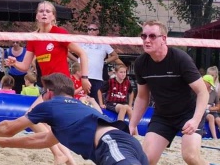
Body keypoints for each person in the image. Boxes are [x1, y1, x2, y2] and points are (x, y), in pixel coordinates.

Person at [0, 73, 148, 165]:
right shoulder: (73, 110)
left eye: (43, 92)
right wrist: (5, 143)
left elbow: (8, 129)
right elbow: (45, 139)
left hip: (111, 144)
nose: (42, 95)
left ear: (50, 92)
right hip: (127, 145)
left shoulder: (50, 105)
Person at [4, 1, 91, 165]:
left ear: (53, 17)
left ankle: (60, 154)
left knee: (32, 117)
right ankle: (66, 158)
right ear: (36, 15)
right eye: (41, 11)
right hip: (48, 86)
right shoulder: (33, 38)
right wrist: (13, 62)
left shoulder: (59, 33)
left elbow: (82, 53)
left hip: (62, 84)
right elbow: (24, 67)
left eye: (48, 11)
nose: (44, 13)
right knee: (42, 122)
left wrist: (84, 78)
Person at [129, 20, 209, 165]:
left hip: (189, 113)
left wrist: (195, 120)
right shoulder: (141, 63)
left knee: (190, 157)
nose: (147, 40)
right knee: (145, 160)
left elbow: (203, 92)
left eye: (152, 36)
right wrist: (132, 124)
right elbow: (142, 97)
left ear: (164, 39)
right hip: (163, 116)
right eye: (144, 36)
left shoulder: (180, 59)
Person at [69, 22, 120, 104]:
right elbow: (67, 51)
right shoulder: (81, 42)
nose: (91, 31)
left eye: (94, 29)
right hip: (82, 76)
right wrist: (76, 60)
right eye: (89, 29)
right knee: (82, 100)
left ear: (98, 31)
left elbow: (115, 56)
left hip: (97, 77)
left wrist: (105, 61)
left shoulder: (104, 43)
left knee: (95, 101)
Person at [203, 73, 220, 139]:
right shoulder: (200, 92)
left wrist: (210, 108)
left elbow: (218, 107)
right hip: (203, 112)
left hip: (211, 111)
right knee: (211, 117)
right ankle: (214, 137)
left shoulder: (214, 93)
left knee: (218, 119)